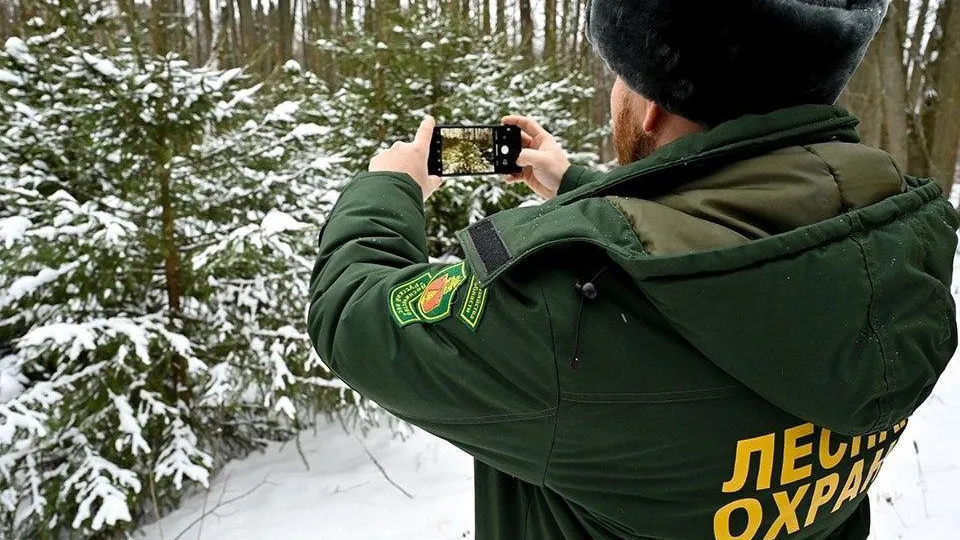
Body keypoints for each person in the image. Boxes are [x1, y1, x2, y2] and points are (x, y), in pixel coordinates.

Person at [307, 0, 959, 538]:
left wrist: (390, 185)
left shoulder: (562, 316)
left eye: (619, 76)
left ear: (650, 106)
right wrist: (575, 186)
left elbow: (350, 312)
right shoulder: (898, 245)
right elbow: (742, 240)